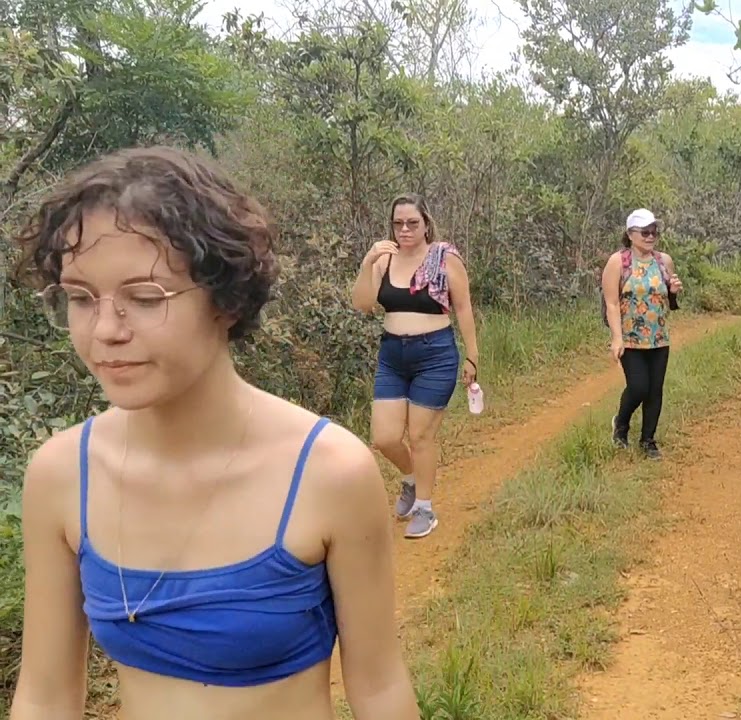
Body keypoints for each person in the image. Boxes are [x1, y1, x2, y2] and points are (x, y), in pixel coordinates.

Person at [9, 146, 417, 720]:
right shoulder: (60, 475)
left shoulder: (329, 472)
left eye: (145, 298)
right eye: (80, 297)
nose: (104, 330)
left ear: (226, 300)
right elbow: (46, 696)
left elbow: (378, 688)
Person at [349, 193, 479, 539]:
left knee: (421, 435)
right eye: (398, 223)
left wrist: (472, 356)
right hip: (393, 355)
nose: (404, 229)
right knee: (384, 438)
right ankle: (410, 478)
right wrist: (367, 262)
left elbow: (463, 307)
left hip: (435, 353)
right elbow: (362, 304)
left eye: (412, 223)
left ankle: (425, 506)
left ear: (425, 224)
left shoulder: (443, 258)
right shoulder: (384, 260)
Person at [601, 208, 683, 459]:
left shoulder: (663, 261)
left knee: (655, 389)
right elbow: (612, 303)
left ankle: (648, 440)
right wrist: (617, 338)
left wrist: (674, 291)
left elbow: (670, 303)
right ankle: (621, 425)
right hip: (630, 338)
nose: (650, 237)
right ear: (630, 234)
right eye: (645, 232)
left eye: (654, 232)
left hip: (659, 337)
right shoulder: (619, 262)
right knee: (638, 387)